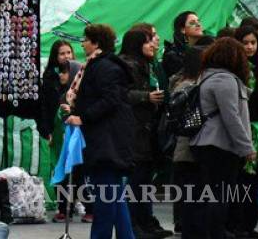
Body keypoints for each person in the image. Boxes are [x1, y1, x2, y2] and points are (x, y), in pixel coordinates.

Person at [64, 24, 136, 239]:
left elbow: (110, 99)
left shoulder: (104, 67)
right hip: (106, 140)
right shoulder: (98, 65)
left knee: (105, 200)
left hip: (106, 142)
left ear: (96, 43)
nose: (82, 43)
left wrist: (83, 117)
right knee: (114, 197)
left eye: (85, 39)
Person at [191, 37, 256, 239]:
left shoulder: (208, 77)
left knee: (215, 195)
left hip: (210, 144)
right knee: (219, 197)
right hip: (219, 146)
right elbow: (232, 118)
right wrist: (247, 148)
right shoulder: (224, 80)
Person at [118, 26, 169, 239]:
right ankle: (133, 226)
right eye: (149, 40)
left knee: (145, 180)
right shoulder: (125, 65)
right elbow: (120, 95)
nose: (154, 43)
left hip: (148, 132)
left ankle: (146, 221)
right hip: (132, 133)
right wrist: (145, 97)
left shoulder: (149, 65)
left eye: (155, 38)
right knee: (135, 181)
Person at [229, 24, 258, 239]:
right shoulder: (234, 69)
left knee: (252, 179)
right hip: (240, 132)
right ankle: (237, 226)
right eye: (244, 42)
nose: (249, 47)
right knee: (240, 180)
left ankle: (248, 224)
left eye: (253, 42)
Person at [38, 40, 87, 223]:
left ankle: (88, 206)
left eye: (69, 52)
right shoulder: (50, 78)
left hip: (78, 130)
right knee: (61, 169)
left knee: (80, 168)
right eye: (62, 53)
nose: (66, 56)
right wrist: (47, 131)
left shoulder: (82, 78)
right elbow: (44, 107)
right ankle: (62, 206)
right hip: (58, 132)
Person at [168, 40, 209, 239]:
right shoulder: (190, 87)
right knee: (192, 198)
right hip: (189, 149)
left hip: (184, 150)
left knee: (189, 197)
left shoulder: (182, 84)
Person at [162, 11, 204, 82]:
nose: (198, 24)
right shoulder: (173, 54)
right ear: (183, 30)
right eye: (192, 23)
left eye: (198, 21)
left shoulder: (209, 46)